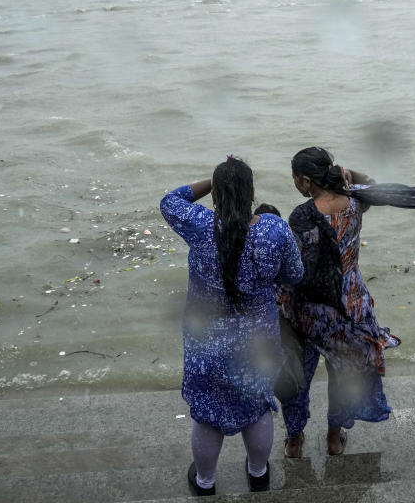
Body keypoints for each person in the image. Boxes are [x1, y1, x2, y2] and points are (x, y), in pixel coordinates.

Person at [160, 156, 303, 495]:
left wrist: (212, 180)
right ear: (252, 192)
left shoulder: (200, 224)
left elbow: (169, 201)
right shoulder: (273, 229)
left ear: (217, 195)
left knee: (208, 415)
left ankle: (205, 481)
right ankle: (258, 473)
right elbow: (295, 275)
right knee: (256, 407)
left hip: (206, 343)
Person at [278, 147, 401, 458]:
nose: (296, 185)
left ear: (306, 181)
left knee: (298, 375)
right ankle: (334, 438)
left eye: (296, 180)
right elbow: (374, 185)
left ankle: (294, 440)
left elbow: (293, 267)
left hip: (308, 310)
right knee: (341, 372)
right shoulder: (355, 204)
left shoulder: (301, 216)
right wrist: (350, 172)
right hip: (349, 304)